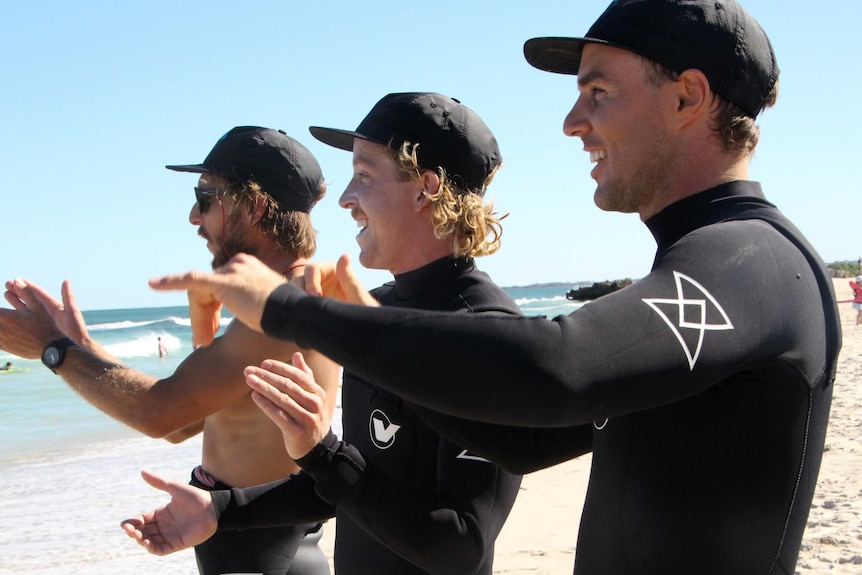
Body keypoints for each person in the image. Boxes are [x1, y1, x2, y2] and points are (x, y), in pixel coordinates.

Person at [141, 1, 842, 573]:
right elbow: (533, 439)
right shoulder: (698, 266)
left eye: (598, 92)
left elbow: (554, 371)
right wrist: (267, 484)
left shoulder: (753, 262)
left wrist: (293, 308)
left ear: (689, 96)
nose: (572, 123)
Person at [123, 93, 523, 574]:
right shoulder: (373, 312)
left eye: (364, 176)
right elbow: (356, 486)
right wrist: (220, 511)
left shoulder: (487, 332)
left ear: (426, 189)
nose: (344, 198)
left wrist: (323, 452)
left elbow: (461, 544)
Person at [0, 127, 341, 575]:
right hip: (261, 545)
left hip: (261, 551)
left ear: (255, 206)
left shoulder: (279, 309)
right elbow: (190, 421)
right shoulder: (287, 301)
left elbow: (158, 414)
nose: (192, 217)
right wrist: (83, 345)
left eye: (205, 197)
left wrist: (55, 350)